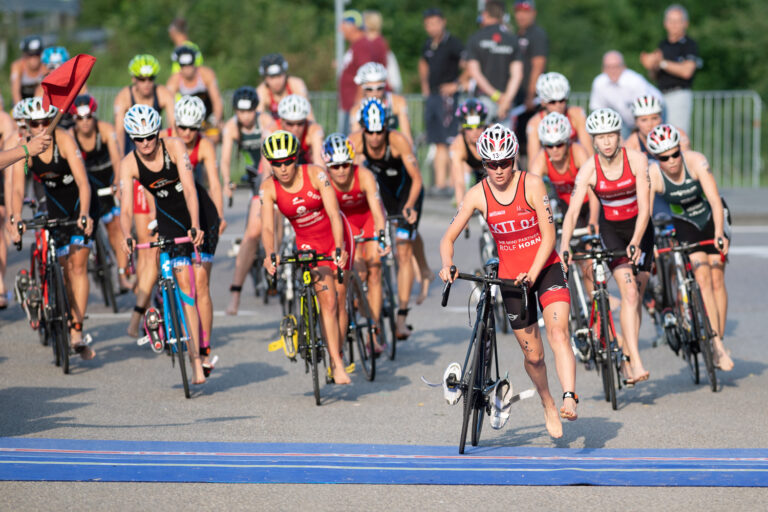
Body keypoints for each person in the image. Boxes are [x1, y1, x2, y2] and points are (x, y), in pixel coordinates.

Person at [439, 123, 577, 438]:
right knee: (534, 356)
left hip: (545, 268)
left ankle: (569, 396)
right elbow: (448, 238)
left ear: (514, 159)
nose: (499, 170)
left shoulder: (532, 184)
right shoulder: (478, 194)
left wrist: (533, 271)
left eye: (505, 163)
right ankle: (548, 403)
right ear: (483, 164)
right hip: (511, 280)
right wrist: (448, 264)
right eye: (491, 164)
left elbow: (549, 235)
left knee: (558, 332)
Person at [119, 104, 220, 384]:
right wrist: (126, 233)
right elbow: (125, 209)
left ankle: (204, 349)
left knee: (200, 285)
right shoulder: (128, 164)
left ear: (158, 133)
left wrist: (196, 225)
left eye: (150, 136)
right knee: (185, 287)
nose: (146, 143)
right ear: (132, 138)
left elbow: (189, 189)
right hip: (169, 220)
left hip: (200, 214)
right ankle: (194, 359)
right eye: (139, 139)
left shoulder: (174, 146)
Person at [559, 108, 653, 385]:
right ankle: (634, 361)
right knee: (630, 294)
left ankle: (628, 351)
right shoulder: (589, 169)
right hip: (612, 232)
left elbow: (645, 208)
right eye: (601, 137)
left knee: (636, 299)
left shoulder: (637, 160)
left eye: (611, 135)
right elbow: (573, 212)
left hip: (640, 229)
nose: (607, 142)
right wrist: (564, 244)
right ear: (594, 140)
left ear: (619, 135)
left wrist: (636, 241)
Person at [260, 131, 352, 385]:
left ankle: (338, 351)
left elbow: (334, 213)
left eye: (288, 161)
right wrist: (270, 254)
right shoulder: (268, 187)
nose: (283, 168)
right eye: (276, 164)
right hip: (308, 244)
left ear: (296, 158)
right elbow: (268, 227)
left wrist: (340, 247)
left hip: (336, 237)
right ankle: (337, 363)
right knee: (328, 302)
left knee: (341, 297)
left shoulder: (315, 174)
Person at [8, 98, 95, 359]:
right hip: (54, 205)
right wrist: (14, 220)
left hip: (80, 203)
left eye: (47, 121)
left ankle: (77, 329)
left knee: (77, 265)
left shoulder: (64, 139)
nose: (42, 127)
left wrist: (84, 214)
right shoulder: (24, 149)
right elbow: (16, 189)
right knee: (62, 267)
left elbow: (83, 182)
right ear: (27, 126)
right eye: (35, 123)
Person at [646, 124, 733, 371]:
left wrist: (719, 234)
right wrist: (647, 244)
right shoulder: (653, 174)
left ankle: (719, 339)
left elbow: (715, 202)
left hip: (712, 218)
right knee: (702, 277)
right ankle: (715, 344)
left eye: (675, 154)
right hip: (686, 222)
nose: (672, 161)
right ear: (656, 158)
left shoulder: (696, 162)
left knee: (717, 276)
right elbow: (647, 215)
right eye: (664, 157)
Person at [348, 98, 425, 338]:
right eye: (369, 131)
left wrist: (410, 206)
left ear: (386, 127)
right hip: (382, 194)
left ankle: (401, 317)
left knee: (403, 250)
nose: (374, 137)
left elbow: (417, 179)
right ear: (363, 128)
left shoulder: (398, 140)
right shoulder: (355, 142)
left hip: (407, 194)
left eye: (379, 130)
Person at [113, 54, 176, 337]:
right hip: (138, 175)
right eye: (142, 79)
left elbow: (173, 128)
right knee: (149, 247)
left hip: (163, 168)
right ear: (133, 80)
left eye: (151, 78)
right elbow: (117, 140)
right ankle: (142, 309)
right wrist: (119, 176)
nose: (147, 84)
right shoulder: (123, 98)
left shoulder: (164, 94)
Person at [324, 133, 388, 352]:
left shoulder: (365, 176)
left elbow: (377, 211)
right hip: (344, 222)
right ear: (327, 167)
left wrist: (381, 235)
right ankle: (358, 299)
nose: (341, 170)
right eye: (335, 166)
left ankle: (373, 329)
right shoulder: (324, 181)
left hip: (368, 217)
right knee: (357, 267)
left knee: (375, 267)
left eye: (345, 165)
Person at [68, 94, 133, 293]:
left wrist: (117, 182)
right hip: (86, 181)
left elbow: (117, 158)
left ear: (94, 116)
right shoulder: (70, 136)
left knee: (114, 226)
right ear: (74, 119)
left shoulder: (105, 130)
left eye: (88, 117)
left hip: (106, 179)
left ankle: (122, 274)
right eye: (80, 118)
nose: (85, 122)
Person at [223, 87, 275, 316]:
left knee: (277, 216)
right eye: (241, 111)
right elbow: (224, 159)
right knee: (251, 234)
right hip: (253, 174)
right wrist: (226, 181)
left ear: (256, 109)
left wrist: (266, 186)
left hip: (271, 170)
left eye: (249, 111)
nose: (245, 116)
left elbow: (269, 156)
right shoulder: (232, 127)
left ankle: (278, 261)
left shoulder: (266, 122)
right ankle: (235, 293)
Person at [419, 8, 465, 194]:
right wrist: (424, 85)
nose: (432, 27)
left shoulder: (453, 43)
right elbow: (423, 63)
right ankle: (440, 184)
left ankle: (453, 182)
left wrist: (457, 85)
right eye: (428, 24)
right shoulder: (428, 45)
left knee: (450, 139)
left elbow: (469, 65)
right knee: (437, 141)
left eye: (435, 23)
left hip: (448, 98)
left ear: (443, 22)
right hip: (433, 96)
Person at [640, 5, 700, 135]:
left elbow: (686, 71)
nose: (674, 25)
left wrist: (661, 63)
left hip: (679, 95)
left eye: (677, 21)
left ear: (685, 23)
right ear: (665, 23)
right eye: (670, 21)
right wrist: (651, 65)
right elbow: (654, 76)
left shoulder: (689, 45)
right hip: (661, 95)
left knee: (677, 135)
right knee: (660, 136)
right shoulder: (663, 45)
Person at [466, 0, 523, 123]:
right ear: (503, 15)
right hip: (506, 103)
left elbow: (474, 72)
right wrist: (506, 100)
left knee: (479, 140)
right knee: (504, 140)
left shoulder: (475, 38)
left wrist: (496, 96)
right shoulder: (512, 39)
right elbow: (517, 75)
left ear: (485, 14)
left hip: (482, 100)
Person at [589, 51, 661, 137]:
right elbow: (598, 112)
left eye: (616, 66)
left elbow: (646, 110)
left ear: (624, 67)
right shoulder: (599, 83)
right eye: (608, 67)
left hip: (654, 111)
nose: (612, 70)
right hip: (627, 120)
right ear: (603, 69)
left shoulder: (635, 81)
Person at [338, 9, 387, 134]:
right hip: (351, 104)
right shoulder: (356, 45)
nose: (340, 29)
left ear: (353, 26)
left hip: (357, 105)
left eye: (343, 25)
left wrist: (358, 104)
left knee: (353, 145)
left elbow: (366, 76)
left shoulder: (361, 45)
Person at [511, 0, 548, 160]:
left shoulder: (537, 34)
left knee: (533, 141)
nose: (521, 15)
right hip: (518, 97)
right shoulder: (517, 35)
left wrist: (530, 94)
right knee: (518, 141)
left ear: (533, 13)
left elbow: (538, 65)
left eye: (525, 11)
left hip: (531, 98)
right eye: (519, 11)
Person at [525, 72, 591, 161]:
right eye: (552, 102)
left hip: (574, 164)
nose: (558, 105)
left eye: (562, 100)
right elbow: (533, 160)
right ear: (543, 102)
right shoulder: (535, 123)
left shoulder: (576, 114)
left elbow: (588, 152)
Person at [166, 46, 224, 140]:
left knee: (215, 136)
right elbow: (168, 104)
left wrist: (215, 120)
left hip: (209, 115)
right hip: (189, 116)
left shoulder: (206, 74)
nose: (187, 69)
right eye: (183, 65)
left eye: (190, 64)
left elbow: (216, 100)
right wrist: (174, 127)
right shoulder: (174, 80)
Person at [350, 62, 412, 141]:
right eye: (369, 89)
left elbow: (407, 135)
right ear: (363, 89)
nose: (375, 93)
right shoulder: (357, 110)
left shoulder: (397, 102)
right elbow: (355, 140)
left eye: (379, 88)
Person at [450, 98, 488, 205]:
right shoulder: (458, 145)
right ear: (462, 128)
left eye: (479, 127)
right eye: (469, 128)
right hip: (475, 171)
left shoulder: (493, 135)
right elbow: (459, 183)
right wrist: (461, 213)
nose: (475, 132)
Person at [625, 95, 690, 158]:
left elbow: (688, 164)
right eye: (644, 120)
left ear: (661, 118)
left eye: (654, 118)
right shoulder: (631, 145)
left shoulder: (677, 135)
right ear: (636, 122)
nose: (650, 124)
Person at [256, 53, 311, 121]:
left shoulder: (296, 84)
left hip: (296, 127)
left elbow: (309, 115)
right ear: (265, 78)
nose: (276, 81)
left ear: (285, 74)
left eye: (279, 76)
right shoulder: (262, 90)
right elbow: (258, 118)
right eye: (272, 77)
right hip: (275, 129)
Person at [275, 95, 324, 165]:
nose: (295, 128)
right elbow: (267, 172)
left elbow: (320, 166)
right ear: (281, 121)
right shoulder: (272, 131)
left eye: (300, 123)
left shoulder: (313, 130)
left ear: (305, 121)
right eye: (290, 124)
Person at [10, 36, 48, 105]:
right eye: (30, 55)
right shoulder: (18, 66)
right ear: (24, 55)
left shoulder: (45, 67)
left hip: (39, 100)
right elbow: (15, 92)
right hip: (21, 99)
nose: (34, 58)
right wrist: (20, 110)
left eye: (37, 54)